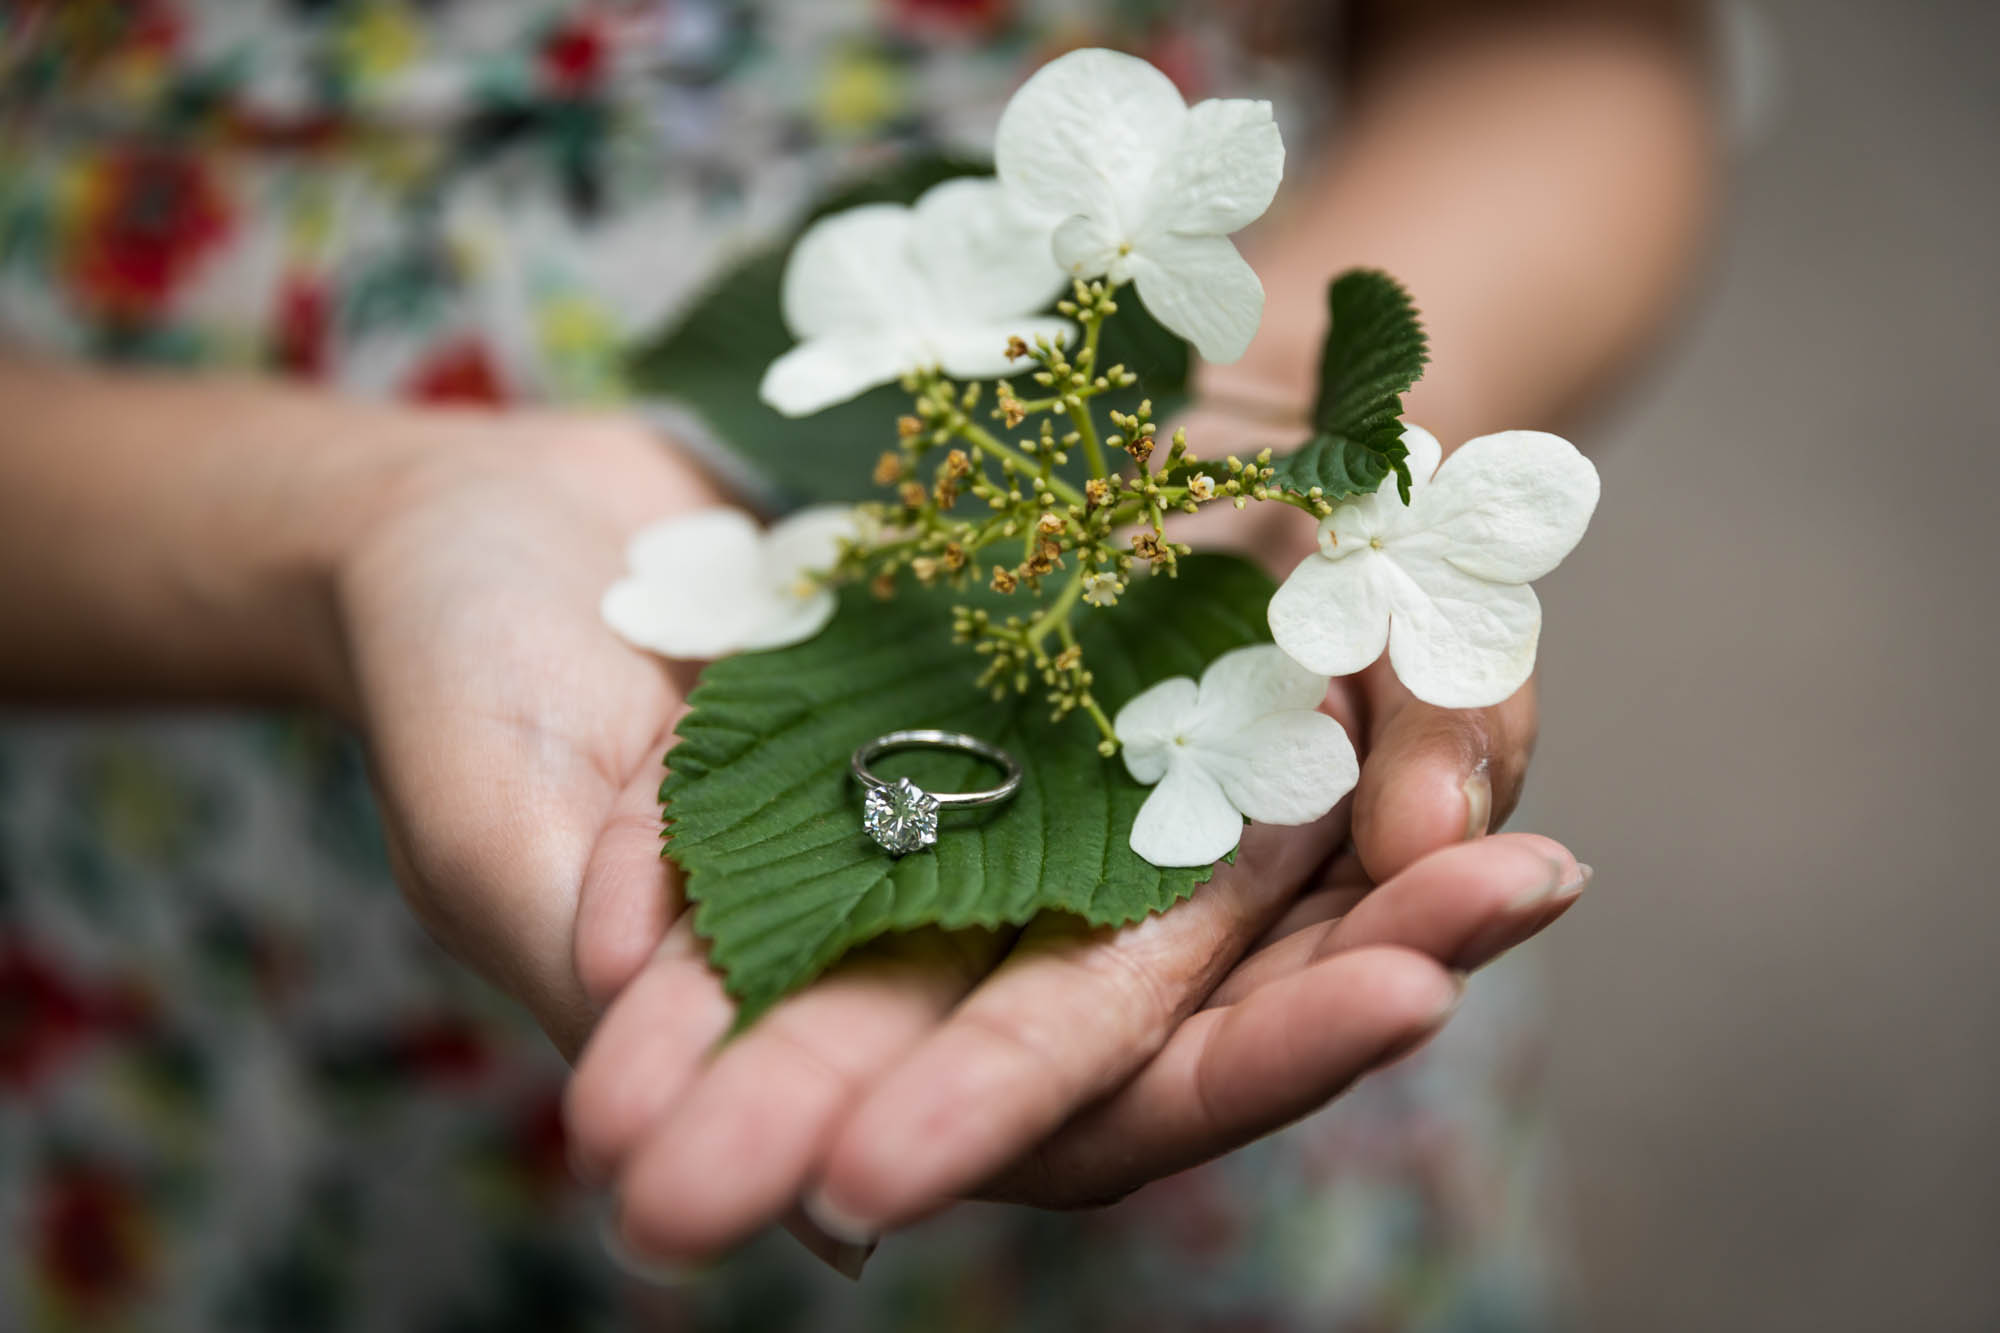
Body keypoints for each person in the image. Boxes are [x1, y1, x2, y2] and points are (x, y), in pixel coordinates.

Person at [0, 2, 1714, 1328]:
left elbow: (1567, 51)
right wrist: (347, 523)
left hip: (1210, 1136)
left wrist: (1300, 406)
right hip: (195, 987)